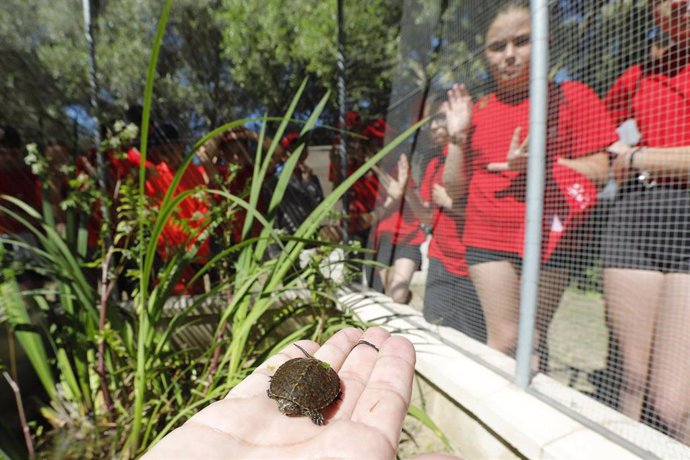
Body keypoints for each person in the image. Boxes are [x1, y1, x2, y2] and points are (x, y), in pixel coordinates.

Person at [442, 0, 616, 367]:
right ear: (484, 53)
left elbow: (604, 167)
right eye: (497, 46)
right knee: (506, 340)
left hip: (552, 237)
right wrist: (457, 138)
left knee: (533, 339)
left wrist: (544, 165)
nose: (509, 55)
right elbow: (454, 191)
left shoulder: (573, 97)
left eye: (522, 41)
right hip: (488, 233)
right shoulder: (480, 110)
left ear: (546, 41)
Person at [602, 0, 690, 441]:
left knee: (675, 405)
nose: (675, 4)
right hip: (637, 220)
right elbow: (603, 144)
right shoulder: (639, 75)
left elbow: (627, 155)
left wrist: (639, 156)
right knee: (631, 380)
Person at [142, 326, 419, 459]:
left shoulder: (297, 402)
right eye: (287, 408)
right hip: (301, 374)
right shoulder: (276, 396)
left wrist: (316, 413)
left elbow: (311, 405)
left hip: (314, 375)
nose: (286, 411)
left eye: (290, 409)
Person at [405, 98, 486, 341]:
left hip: (473, 266)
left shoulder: (476, 157)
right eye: (433, 120)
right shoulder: (433, 164)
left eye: (443, 118)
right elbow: (429, 218)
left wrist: (452, 203)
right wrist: (407, 192)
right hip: (440, 259)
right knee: (435, 330)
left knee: (473, 340)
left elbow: (492, 213)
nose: (436, 126)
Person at [363, 120, 425, 304]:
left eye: (383, 143)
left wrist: (404, 190)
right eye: (374, 144)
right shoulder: (363, 177)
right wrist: (392, 199)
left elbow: (418, 206)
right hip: (382, 240)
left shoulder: (400, 169)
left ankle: (403, 300)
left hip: (408, 237)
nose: (380, 148)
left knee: (397, 295)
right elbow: (364, 219)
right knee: (380, 295)